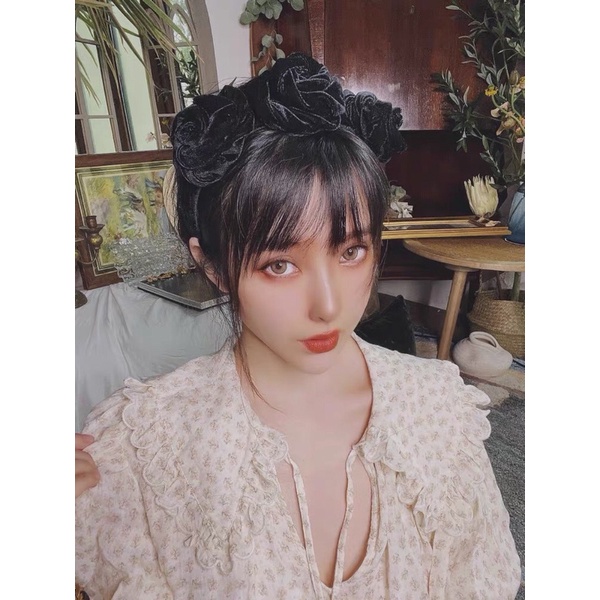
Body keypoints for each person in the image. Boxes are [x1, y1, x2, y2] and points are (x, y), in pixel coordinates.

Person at [75, 53, 521, 599]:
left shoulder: (440, 411)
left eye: (351, 251)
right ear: (213, 266)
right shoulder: (142, 447)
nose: (328, 305)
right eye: (279, 265)